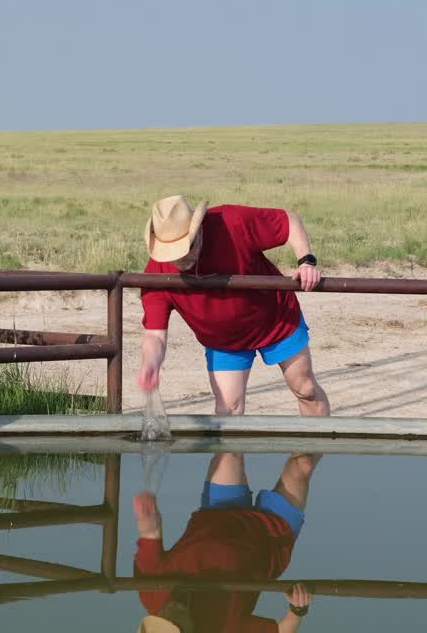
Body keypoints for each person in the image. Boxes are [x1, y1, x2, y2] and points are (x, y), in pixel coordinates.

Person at [136, 195, 331, 416]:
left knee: (306, 390)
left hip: (276, 320)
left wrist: (306, 261)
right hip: (223, 340)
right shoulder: (155, 274)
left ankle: (313, 450)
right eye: (171, 254)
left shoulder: (232, 222)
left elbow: (289, 221)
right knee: (228, 410)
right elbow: (154, 335)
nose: (181, 259)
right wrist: (150, 363)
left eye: (186, 247)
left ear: (198, 228)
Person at [133, 452, 321, 633]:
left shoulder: (150, 592)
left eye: (161, 621)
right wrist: (297, 610)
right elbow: (281, 631)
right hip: (271, 538)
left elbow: (150, 534)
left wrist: (146, 519)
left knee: (230, 454)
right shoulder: (223, 629)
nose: (169, 614)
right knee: (303, 464)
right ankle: (318, 424)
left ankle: (233, 418)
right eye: (174, 623)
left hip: (219, 512)